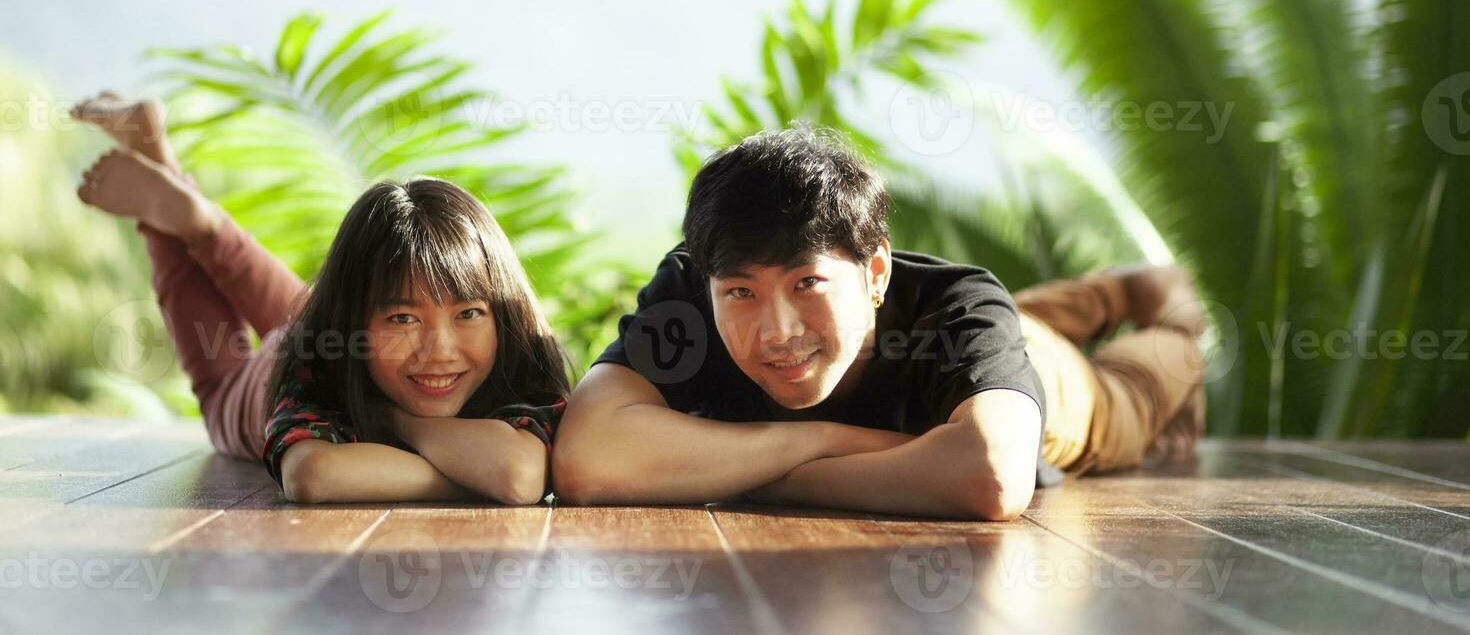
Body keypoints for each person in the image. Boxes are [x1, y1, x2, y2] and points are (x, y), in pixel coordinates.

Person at [554, 126, 1206, 520]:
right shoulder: (697, 287)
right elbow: (587, 460)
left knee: (1154, 366)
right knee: (1005, 321)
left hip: (1061, 385)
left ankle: (1152, 294)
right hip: (962, 350)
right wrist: (808, 441)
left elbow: (991, 474)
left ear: (874, 271)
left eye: (807, 284)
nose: (776, 329)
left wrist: (756, 474)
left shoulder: (957, 307)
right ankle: (1103, 292)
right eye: (742, 294)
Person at [71, 93, 568, 505]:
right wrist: (451, 460)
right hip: (289, 366)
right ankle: (171, 215)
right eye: (403, 318)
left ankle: (200, 219)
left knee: (303, 309)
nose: (439, 349)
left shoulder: (518, 354)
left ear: (503, 313)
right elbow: (314, 475)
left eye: (468, 313)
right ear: (354, 324)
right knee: (218, 386)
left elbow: (518, 477)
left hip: (325, 328)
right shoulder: (314, 371)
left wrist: (397, 421)